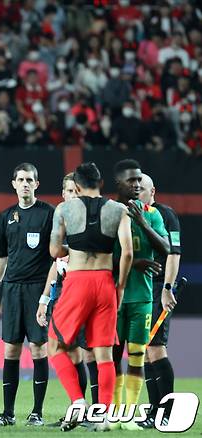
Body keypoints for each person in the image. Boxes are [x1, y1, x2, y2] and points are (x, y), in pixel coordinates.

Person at [39, 162, 133, 432]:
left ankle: (78, 402)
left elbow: (55, 251)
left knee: (54, 346)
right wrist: (121, 285)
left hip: (77, 282)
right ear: (100, 183)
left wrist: (76, 246)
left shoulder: (65, 209)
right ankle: (103, 416)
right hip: (105, 282)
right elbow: (127, 252)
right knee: (104, 354)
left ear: (77, 186)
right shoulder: (119, 210)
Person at [0, 163, 56, 427]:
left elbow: (55, 257)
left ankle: (37, 412)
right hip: (12, 289)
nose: (25, 184)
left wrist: (47, 295)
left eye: (30, 180)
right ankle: (8, 413)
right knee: (11, 350)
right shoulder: (6, 217)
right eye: (21, 180)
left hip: (38, 288)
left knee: (38, 349)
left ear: (37, 185)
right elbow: (1, 258)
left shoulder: (48, 214)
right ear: (13, 184)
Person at [112, 159, 169, 430]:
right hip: (113, 297)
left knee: (136, 356)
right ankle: (113, 413)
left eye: (139, 181)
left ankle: (130, 414)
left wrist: (142, 222)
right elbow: (101, 257)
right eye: (131, 181)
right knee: (112, 357)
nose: (136, 185)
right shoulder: (108, 213)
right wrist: (136, 262)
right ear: (119, 184)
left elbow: (166, 248)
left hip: (143, 298)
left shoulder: (153, 214)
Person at [46, 173, 99, 428]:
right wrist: (45, 298)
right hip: (65, 296)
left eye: (74, 191)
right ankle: (78, 408)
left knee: (89, 354)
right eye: (67, 191)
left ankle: (93, 411)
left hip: (87, 294)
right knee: (73, 354)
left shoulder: (89, 221)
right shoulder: (62, 221)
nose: (70, 195)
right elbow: (55, 263)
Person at [137, 174, 180, 428]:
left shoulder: (166, 215)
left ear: (153, 190)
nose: (137, 192)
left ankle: (168, 412)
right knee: (144, 353)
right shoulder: (132, 215)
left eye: (141, 189)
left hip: (157, 288)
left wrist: (167, 288)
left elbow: (174, 253)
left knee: (155, 348)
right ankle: (154, 411)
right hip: (139, 291)